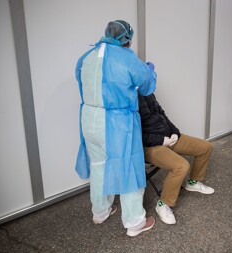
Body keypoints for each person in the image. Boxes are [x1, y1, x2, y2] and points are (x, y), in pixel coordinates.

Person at [75, 20, 157, 237]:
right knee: (128, 167)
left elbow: (82, 85)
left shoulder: (86, 58)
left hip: (89, 118)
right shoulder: (127, 58)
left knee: (99, 165)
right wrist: (149, 69)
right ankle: (135, 222)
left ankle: (100, 211)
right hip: (117, 122)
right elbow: (147, 86)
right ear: (127, 39)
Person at [138, 92, 214, 225]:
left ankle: (193, 183)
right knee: (181, 166)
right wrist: (161, 140)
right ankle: (163, 204)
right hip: (150, 146)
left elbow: (162, 114)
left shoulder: (148, 91)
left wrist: (175, 132)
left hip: (167, 138)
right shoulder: (128, 96)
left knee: (205, 147)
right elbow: (135, 136)